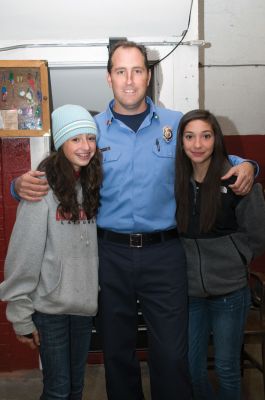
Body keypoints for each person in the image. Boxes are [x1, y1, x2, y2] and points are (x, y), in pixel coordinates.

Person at [12, 42, 257, 400]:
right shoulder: (90, 131)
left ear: (148, 75)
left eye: (138, 70)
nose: (130, 80)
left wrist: (248, 164)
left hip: (165, 255)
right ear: (108, 77)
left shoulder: (175, 125)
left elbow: (210, 151)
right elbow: (56, 172)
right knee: (117, 353)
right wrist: (17, 185)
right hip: (109, 256)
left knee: (172, 355)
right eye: (121, 71)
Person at [0, 104, 102, 400]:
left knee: (75, 388)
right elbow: (22, 255)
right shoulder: (40, 189)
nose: (85, 147)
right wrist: (20, 314)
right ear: (60, 142)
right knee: (58, 391)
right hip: (49, 310)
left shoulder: (93, 183)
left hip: (84, 307)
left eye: (90, 138)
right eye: (75, 139)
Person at [175, 109, 265, 400]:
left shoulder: (238, 180)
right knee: (192, 367)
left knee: (227, 368)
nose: (197, 144)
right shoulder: (174, 182)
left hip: (230, 293)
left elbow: (258, 235)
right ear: (181, 142)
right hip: (190, 294)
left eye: (205, 136)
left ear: (216, 139)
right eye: (189, 137)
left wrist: (236, 259)